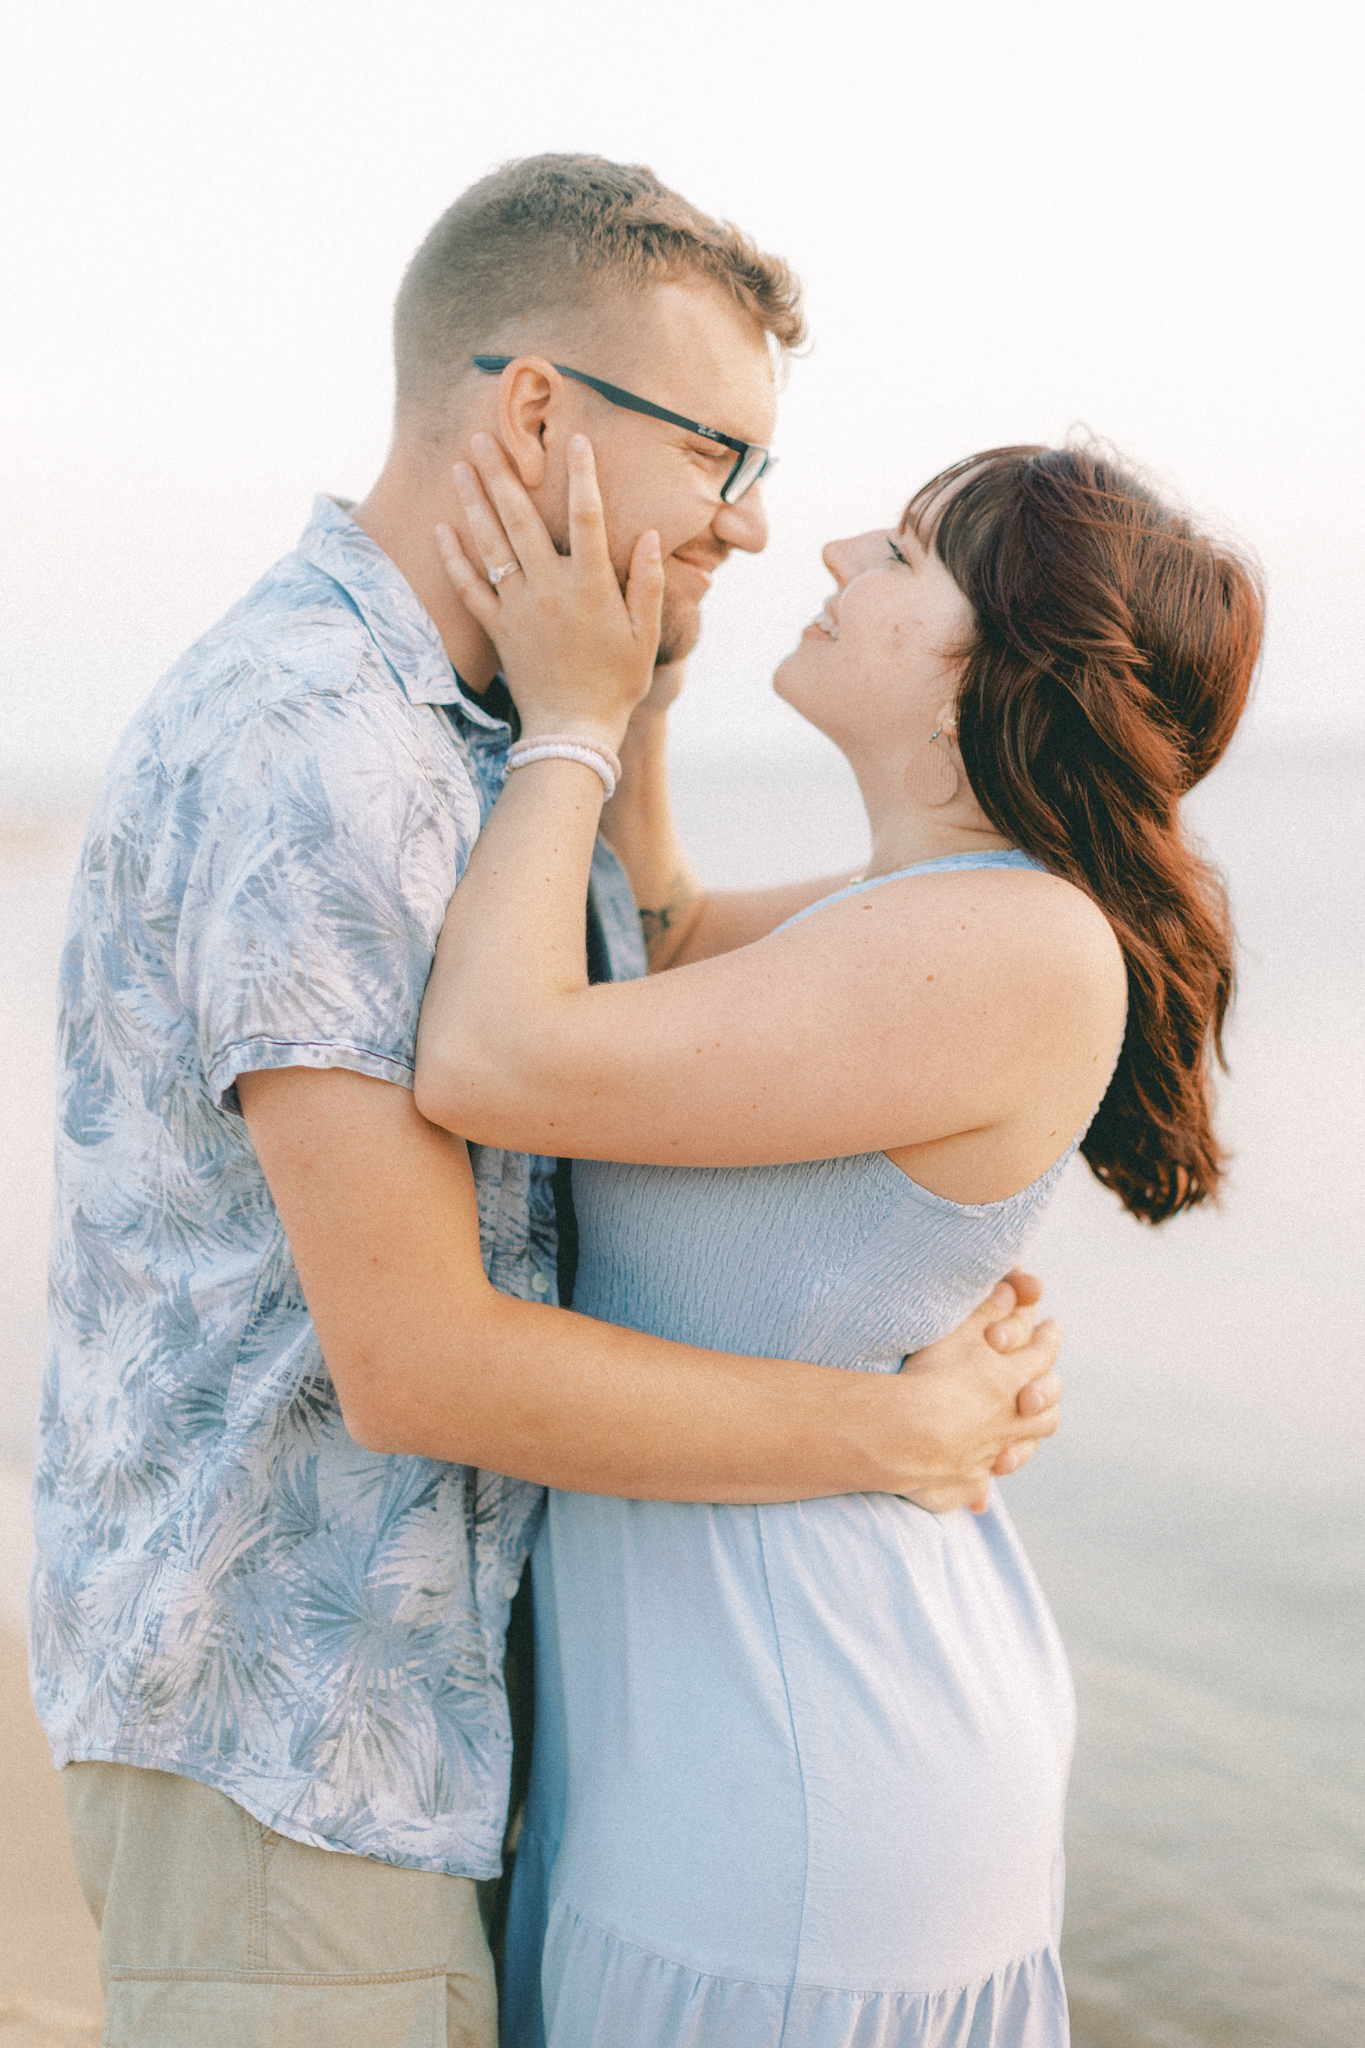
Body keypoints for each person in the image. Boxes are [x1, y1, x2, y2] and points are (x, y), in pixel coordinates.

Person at [30, 157, 1064, 2048]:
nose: (754, 529)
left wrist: (622, 699)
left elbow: (676, 971)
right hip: (289, 1751)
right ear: (529, 411)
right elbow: (414, 1362)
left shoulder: (482, 740)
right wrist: (888, 1431)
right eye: (719, 459)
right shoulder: (319, 744)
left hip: (437, 1734)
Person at [413, 429, 1263, 2046]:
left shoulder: (1009, 938)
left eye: (899, 554)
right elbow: (649, 930)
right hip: (721, 1728)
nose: (829, 558)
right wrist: (647, 675)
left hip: (801, 1763)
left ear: (993, 668)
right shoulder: (910, 909)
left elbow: (489, 1059)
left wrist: (571, 723)